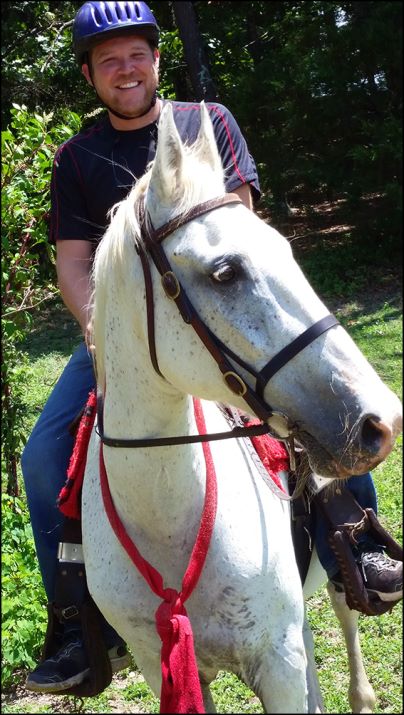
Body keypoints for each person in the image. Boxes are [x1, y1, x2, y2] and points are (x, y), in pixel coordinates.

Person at [22, 0, 402, 694]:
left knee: (317, 398)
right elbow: (74, 263)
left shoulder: (205, 124)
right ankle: (77, 624)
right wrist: (95, 326)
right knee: (43, 457)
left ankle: (357, 540)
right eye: (108, 60)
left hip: (219, 311)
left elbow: (241, 229)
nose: (125, 68)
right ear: (89, 74)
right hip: (122, 336)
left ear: (157, 60)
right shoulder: (77, 158)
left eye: (136, 53)